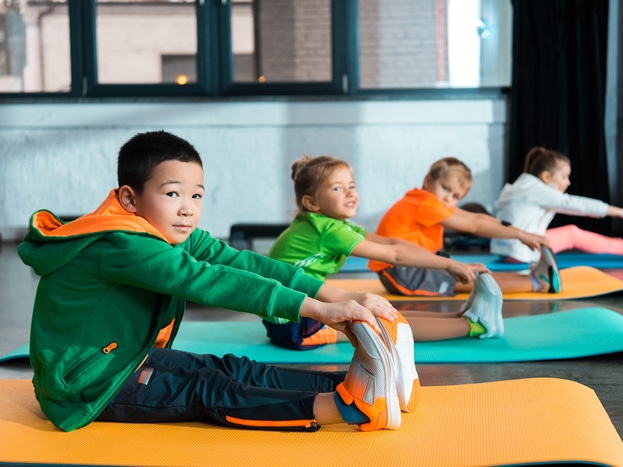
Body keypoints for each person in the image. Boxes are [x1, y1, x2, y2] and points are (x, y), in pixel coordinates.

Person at [17, 130, 410, 434]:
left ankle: (356, 382)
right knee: (206, 388)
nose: (188, 208)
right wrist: (319, 311)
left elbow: (238, 261)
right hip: (87, 386)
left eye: (197, 195)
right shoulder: (121, 243)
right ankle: (349, 406)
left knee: (228, 367)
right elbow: (209, 280)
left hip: (124, 357)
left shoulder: (162, 231)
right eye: (172, 193)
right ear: (130, 199)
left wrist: (336, 294)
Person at [265, 155, 507, 355]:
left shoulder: (329, 224)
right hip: (294, 325)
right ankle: (476, 325)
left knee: (384, 312)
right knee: (383, 323)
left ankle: (461, 315)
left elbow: (392, 242)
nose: (349, 193)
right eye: (338, 188)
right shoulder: (327, 230)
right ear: (312, 203)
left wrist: (446, 262)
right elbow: (395, 254)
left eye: (351, 186)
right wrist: (449, 264)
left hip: (301, 309)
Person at [368, 156, 561, 296]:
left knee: (464, 270)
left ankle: (534, 279)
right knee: (464, 276)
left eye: (455, 197)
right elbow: (475, 226)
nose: (447, 199)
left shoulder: (425, 200)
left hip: (404, 268)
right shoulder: (425, 203)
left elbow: (476, 218)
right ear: (428, 181)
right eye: (445, 188)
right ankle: (535, 282)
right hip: (401, 273)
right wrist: (520, 235)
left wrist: (521, 232)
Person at [490, 146, 623, 264]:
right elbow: (577, 204)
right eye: (564, 177)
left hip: (506, 251)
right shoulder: (537, 190)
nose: (568, 182)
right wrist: (622, 212)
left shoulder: (521, 186)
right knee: (572, 234)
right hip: (522, 252)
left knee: (568, 233)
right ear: (546, 177)